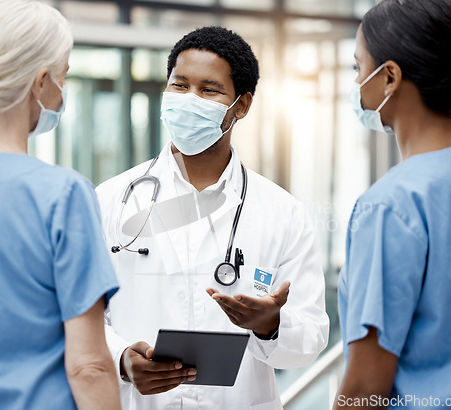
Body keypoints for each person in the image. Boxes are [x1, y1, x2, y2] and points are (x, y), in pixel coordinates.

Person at [96, 26, 329, 409]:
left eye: (208, 90)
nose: (189, 100)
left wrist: (270, 327)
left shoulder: (283, 213)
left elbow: (310, 339)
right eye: (179, 85)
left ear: (241, 105)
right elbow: (79, 319)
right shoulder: (110, 200)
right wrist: (122, 358)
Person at [0, 1, 121, 409]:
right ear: (41, 83)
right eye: (64, 75)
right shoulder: (62, 195)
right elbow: (88, 366)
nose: (62, 90)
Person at [335, 0, 451, 408]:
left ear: (389, 76)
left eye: (358, 68)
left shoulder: (391, 206)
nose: (358, 82)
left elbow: (364, 391)